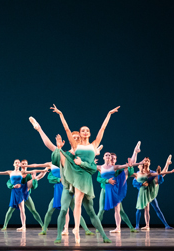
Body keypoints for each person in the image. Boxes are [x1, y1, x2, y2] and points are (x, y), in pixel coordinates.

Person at [29, 104, 118, 243]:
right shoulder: (73, 148)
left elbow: (102, 129)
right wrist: (60, 114)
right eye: (81, 132)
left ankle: (94, 233)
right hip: (72, 172)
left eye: (86, 131)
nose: (83, 133)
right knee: (56, 150)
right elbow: (66, 129)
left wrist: (109, 114)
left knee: (89, 210)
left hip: (83, 175)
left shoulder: (92, 145)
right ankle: (39, 128)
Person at [0, 160, 46, 232]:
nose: (17, 164)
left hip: (22, 191)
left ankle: (32, 226)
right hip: (15, 191)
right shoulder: (10, 172)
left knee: (26, 210)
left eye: (18, 163)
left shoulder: (22, 172)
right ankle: (5, 226)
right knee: (10, 209)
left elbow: (34, 172)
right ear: (13, 164)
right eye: (16, 162)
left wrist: (44, 169)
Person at [96, 143, 139, 233]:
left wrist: (135, 155)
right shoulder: (102, 168)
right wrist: (107, 181)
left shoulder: (117, 168)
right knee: (101, 210)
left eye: (114, 158)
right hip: (104, 190)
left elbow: (129, 170)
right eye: (110, 158)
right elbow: (99, 178)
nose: (112, 160)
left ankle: (131, 227)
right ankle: (98, 228)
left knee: (120, 211)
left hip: (115, 191)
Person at [132, 156, 174, 231]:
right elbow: (134, 182)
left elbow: (161, 174)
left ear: (150, 163)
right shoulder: (138, 173)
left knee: (156, 208)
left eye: (148, 161)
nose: (146, 162)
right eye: (145, 161)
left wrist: (167, 164)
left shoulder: (151, 173)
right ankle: (138, 225)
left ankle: (166, 225)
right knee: (141, 209)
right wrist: (141, 184)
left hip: (151, 192)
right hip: (143, 193)